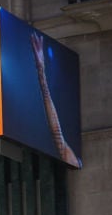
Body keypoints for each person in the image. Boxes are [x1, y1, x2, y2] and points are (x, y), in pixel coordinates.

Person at [30, 32, 81, 168]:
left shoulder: (72, 159)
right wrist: (41, 72)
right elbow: (56, 130)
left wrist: (41, 72)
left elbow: (56, 130)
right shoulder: (71, 158)